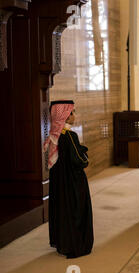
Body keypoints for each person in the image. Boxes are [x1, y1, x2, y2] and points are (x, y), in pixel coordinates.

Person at [44, 100, 94, 259]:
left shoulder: (54, 135)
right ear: (65, 116)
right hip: (72, 182)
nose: (74, 115)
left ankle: (63, 242)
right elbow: (80, 160)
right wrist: (85, 154)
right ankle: (75, 244)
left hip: (60, 182)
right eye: (72, 112)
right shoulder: (69, 136)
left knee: (62, 209)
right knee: (75, 210)